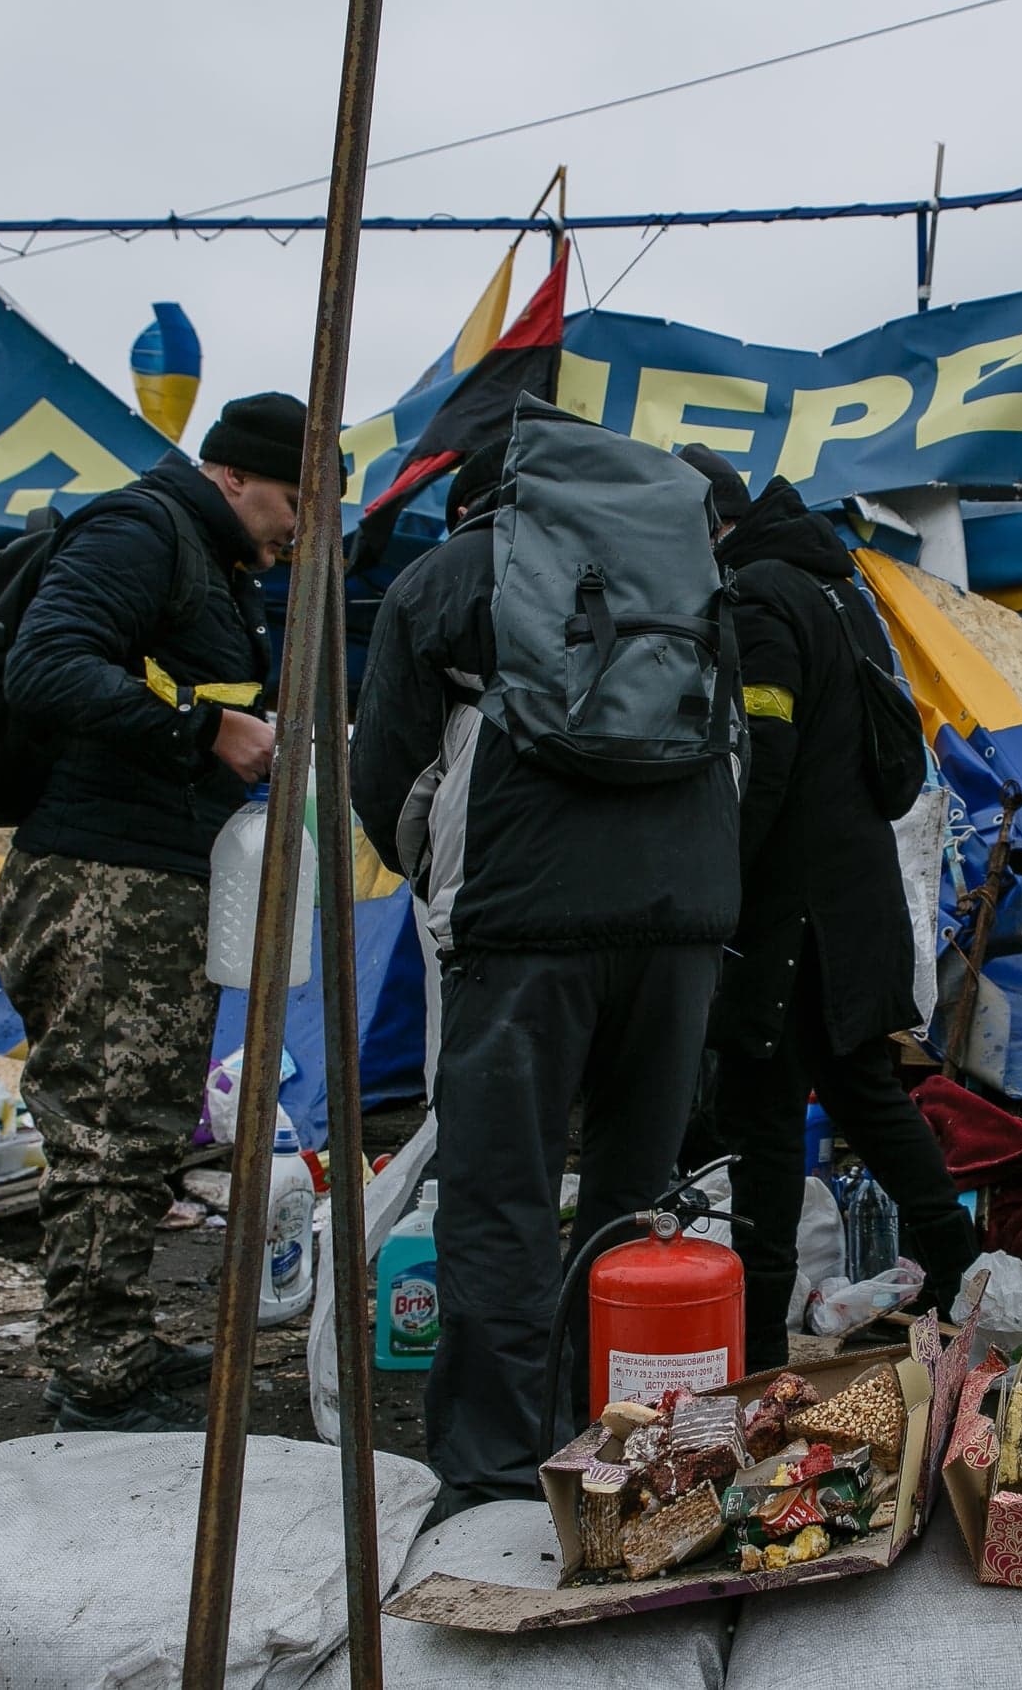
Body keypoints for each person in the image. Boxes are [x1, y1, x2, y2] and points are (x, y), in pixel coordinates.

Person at [352, 400, 740, 1520]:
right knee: (636, 1202)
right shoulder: (686, 570)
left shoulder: (449, 576)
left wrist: (437, 878)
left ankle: (488, 1478)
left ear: (476, 495)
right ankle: (629, 1456)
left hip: (519, 931)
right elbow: (732, 755)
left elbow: (388, 771)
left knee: (501, 1202)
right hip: (681, 928)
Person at [0, 393, 303, 1432]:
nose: (299, 522)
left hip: (155, 880)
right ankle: (90, 1370)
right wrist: (202, 730)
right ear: (232, 476)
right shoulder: (141, 531)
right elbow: (44, 667)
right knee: (107, 1127)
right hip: (99, 881)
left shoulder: (211, 561)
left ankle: (116, 1340)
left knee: (144, 1127)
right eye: (292, 497)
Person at [691, 461, 979, 1373]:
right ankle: (964, 1279)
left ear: (712, 526)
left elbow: (762, 761)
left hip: (791, 922)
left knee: (765, 1125)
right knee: (867, 1097)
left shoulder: (761, 598)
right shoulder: (836, 587)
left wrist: (717, 886)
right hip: (849, 909)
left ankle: (759, 1348)